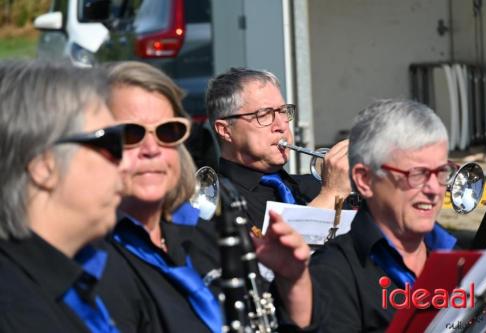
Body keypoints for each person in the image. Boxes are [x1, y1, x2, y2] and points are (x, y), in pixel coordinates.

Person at [100, 61, 314, 332]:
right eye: (132, 134)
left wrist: (293, 282)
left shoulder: (205, 233)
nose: (152, 149)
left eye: (168, 131)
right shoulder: (97, 259)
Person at [0, 60, 129, 332]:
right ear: (43, 166)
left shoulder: (78, 280)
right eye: (110, 143)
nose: (127, 163)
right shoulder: (15, 311)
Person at [309, 99, 458, 332]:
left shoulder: (457, 258)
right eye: (417, 174)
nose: (434, 189)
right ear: (365, 180)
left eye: (441, 172)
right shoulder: (331, 272)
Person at [206, 67, 351, 229]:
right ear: (225, 130)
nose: (282, 125)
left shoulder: (313, 186)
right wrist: (330, 196)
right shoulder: (213, 202)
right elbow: (284, 252)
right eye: (264, 114)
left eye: (283, 111)